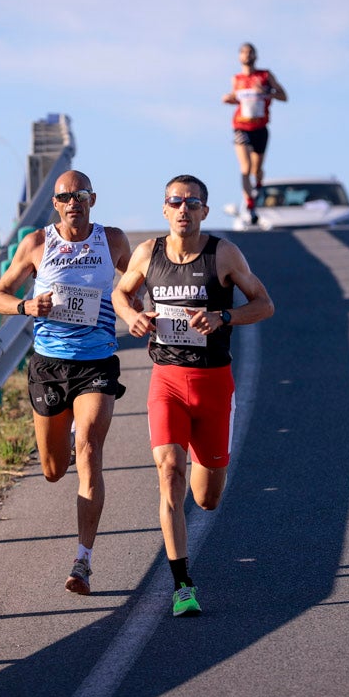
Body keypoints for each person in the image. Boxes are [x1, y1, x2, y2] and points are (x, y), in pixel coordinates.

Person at [111, 174, 274, 616]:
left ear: (204, 211)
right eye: (174, 201)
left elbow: (264, 303)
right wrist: (133, 317)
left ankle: (190, 550)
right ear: (164, 209)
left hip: (214, 384)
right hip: (166, 381)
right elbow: (120, 293)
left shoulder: (223, 254)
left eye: (192, 202)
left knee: (207, 498)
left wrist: (223, 316)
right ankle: (182, 585)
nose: (183, 209)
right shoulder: (148, 254)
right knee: (169, 474)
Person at [0, 170, 132, 595]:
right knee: (53, 470)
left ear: (93, 198)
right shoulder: (37, 244)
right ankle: (65, 439)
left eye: (82, 195)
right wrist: (26, 305)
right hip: (50, 365)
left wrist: (136, 302)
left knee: (89, 446)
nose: (74, 202)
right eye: (66, 196)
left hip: (97, 363)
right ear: (55, 203)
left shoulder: (112, 240)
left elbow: (136, 277)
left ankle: (83, 561)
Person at [221, 42, 287, 226]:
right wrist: (228, 99)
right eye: (244, 52)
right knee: (245, 168)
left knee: (256, 170)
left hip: (261, 128)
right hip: (241, 127)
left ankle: (257, 186)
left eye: (251, 52)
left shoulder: (265, 76)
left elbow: (284, 96)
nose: (247, 56)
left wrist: (268, 92)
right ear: (239, 57)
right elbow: (235, 98)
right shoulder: (237, 79)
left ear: (256, 56)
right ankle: (250, 204)